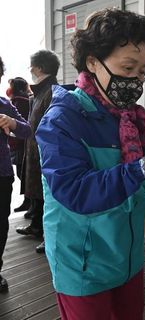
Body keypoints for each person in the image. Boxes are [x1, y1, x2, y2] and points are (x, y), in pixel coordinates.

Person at [35, 8, 145, 320]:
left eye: (142, 72)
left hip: (127, 256)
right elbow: (75, 192)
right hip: (81, 263)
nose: (136, 80)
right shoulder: (62, 120)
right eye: (127, 68)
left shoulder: (133, 117)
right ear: (92, 61)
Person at [16, 50, 60, 255]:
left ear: (40, 68)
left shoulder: (52, 91)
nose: (30, 70)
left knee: (47, 195)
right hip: (35, 150)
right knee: (37, 192)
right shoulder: (40, 92)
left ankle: (47, 235)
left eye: (32, 66)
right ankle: (36, 227)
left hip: (46, 153)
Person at [0, 57, 31, 292]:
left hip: (1, 175)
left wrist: (12, 122)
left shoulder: (4, 104)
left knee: (1, 225)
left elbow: (27, 130)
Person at [6, 77, 31, 213]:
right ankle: (28, 202)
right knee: (22, 173)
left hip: (19, 143)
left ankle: (29, 203)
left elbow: (25, 126)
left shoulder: (18, 102)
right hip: (18, 143)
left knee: (23, 173)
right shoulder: (21, 100)